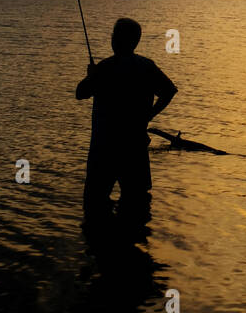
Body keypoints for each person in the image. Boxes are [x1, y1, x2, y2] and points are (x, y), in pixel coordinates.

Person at [75, 17, 177, 220]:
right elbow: (169, 91)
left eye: (114, 35)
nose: (112, 39)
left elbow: (80, 93)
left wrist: (90, 76)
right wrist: (148, 116)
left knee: (95, 203)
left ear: (117, 40)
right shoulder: (146, 67)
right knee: (136, 202)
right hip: (134, 147)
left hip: (104, 149)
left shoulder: (105, 68)